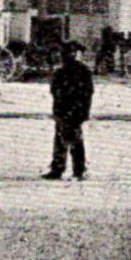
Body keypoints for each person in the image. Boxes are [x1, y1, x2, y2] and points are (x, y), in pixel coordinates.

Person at [43, 42, 95, 181]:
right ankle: (70, 169)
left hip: (70, 110)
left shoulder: (72, 71)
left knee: (69, 141)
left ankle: (70, 169)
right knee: (67, 140)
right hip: (69, 110)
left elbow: (87, 92)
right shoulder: (75, 70)